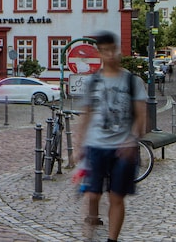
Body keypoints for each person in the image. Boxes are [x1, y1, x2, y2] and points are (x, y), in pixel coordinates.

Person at [73, 31, 147, 242]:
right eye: (104, 51)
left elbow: (141, 117)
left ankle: (111, 239)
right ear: (100, 53)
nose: (110, 55)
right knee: (93, 194)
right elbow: (85, 116)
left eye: (112, 50)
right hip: (96, 146)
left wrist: (132, 138)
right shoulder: (93, 82)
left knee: (116, 197)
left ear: (118, 50)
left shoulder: (133, 82)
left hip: (122, 149)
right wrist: (78, 146)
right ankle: (90, 224)